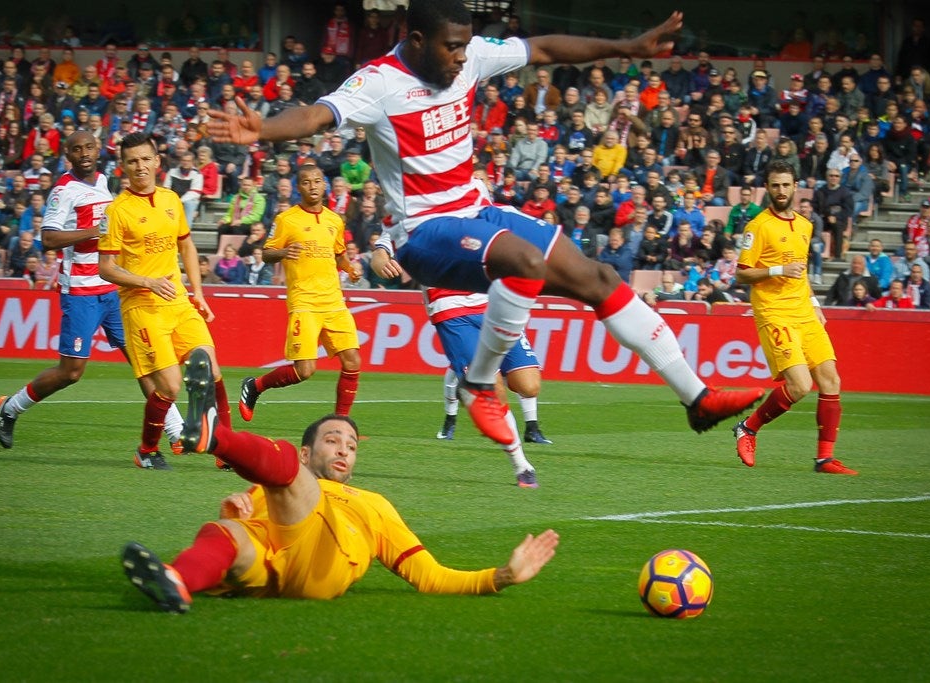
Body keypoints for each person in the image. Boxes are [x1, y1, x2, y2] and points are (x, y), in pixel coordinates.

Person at [209, 2, 763, 448]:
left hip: (477, 209)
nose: (461, 58)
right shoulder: (379, 82)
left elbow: (543, 48)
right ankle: (477, 386)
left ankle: (696, 399)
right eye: (451, 47)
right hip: (423, 233)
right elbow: (317, 115)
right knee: (523, 260)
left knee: (596, 278)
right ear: (419, 40)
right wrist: (262, 131)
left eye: (465, 46)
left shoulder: (471, 55)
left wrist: (628, 48)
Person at [123, 362, 559, 613]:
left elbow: (431, 576)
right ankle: (177, 580)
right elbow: (241, 524)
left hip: (321, 566)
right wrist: (232, 511)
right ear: (307, 451)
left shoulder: (372, 505)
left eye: (350, 445)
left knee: (289, 481)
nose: (344, 450)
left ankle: (214, 438)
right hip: (268, 568)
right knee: (227, 533)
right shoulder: (273, 484)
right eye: (332, 440)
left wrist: (501, 577)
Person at [0, 131, 184, 455]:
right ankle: (10, 408)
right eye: (76, 149)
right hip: (80, 289)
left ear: (99, 150)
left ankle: (176, 430)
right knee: (71, 372)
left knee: (142, 358)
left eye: (89, 147)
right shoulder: (63, 191)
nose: (84, 153)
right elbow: (49, 239)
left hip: (114, 288)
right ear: (68, 155)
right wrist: (97, 231)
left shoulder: (103, 182)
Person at [98, 131, 231, 470]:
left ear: (158, 161)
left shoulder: (172, 199)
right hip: (142, 306)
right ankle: (146, 450)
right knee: (170, 387)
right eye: (132, 161)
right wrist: (147, 282)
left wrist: (198, 291)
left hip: (178, 301)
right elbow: (106, 268)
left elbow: (186, 244)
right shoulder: (117, 211)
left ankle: (227, 449)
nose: (140, 166)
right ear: (122, 167)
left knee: (212, 371)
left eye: (145, 159)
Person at [731, 160, 857, 475]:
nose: (781, 191)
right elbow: (741, 275)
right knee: (800, 385)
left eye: (786, 185)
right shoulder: (757, 226)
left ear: (795, 186)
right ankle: (748, 427)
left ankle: (824, 459)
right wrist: (777, 270)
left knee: (831, 379)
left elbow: (799, 273)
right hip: (774, 312)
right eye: (775, 185)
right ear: (768, 188)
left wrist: (814, 301)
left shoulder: (804, 224)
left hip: (803, 310)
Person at [239, 165, 363, 423]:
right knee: (304, 370)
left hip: (333, 301)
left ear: (324, 185)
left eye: (318, 181)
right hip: (304, 302)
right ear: (299, 187)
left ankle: (341, 423)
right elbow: (266, 253)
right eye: (307, 182)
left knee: (352, 361)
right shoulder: (287, 219)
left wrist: (350, 269)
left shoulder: (334, 220)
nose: (313, 186)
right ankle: (255, 386)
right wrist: (284, 253)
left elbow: (338, 253)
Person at [428, 288, 549, 489]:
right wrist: (382, 257)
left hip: (494, 303)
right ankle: (522, 466)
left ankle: (470, 382)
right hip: (451, 307)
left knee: (529, 386)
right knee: (493, 390)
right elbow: (385, 258)